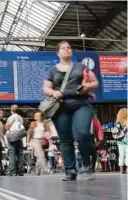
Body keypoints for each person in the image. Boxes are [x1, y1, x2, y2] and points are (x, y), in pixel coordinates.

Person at [43, 41, 99, 181]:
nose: (67, 49)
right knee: (65, 140)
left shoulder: (81, 67)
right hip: (61, 107)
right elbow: (46, 88)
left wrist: (87, 88)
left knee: (82, 133)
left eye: (69, 47)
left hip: (81, 104)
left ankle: (86, 167)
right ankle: (70, 170)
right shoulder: (52, 70)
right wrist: (53, 92)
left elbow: (95, 82)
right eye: (64, 48)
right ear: (58, 53)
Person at [5, 105, 25, 176]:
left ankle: (12, 171)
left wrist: (6, 126)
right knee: (20, 154)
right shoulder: (21, 118)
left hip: (12, 137)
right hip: (19, 137)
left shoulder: (11, 117)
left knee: (12, 154)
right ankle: (21, 171)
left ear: (11, 110)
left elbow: (7, 126)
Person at [113, 108, 128, 174]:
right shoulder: (127, 122)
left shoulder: (118, 123)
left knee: (121, 154)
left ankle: (121, 169)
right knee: (127, 154)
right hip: (126, 141)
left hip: (120, 141)